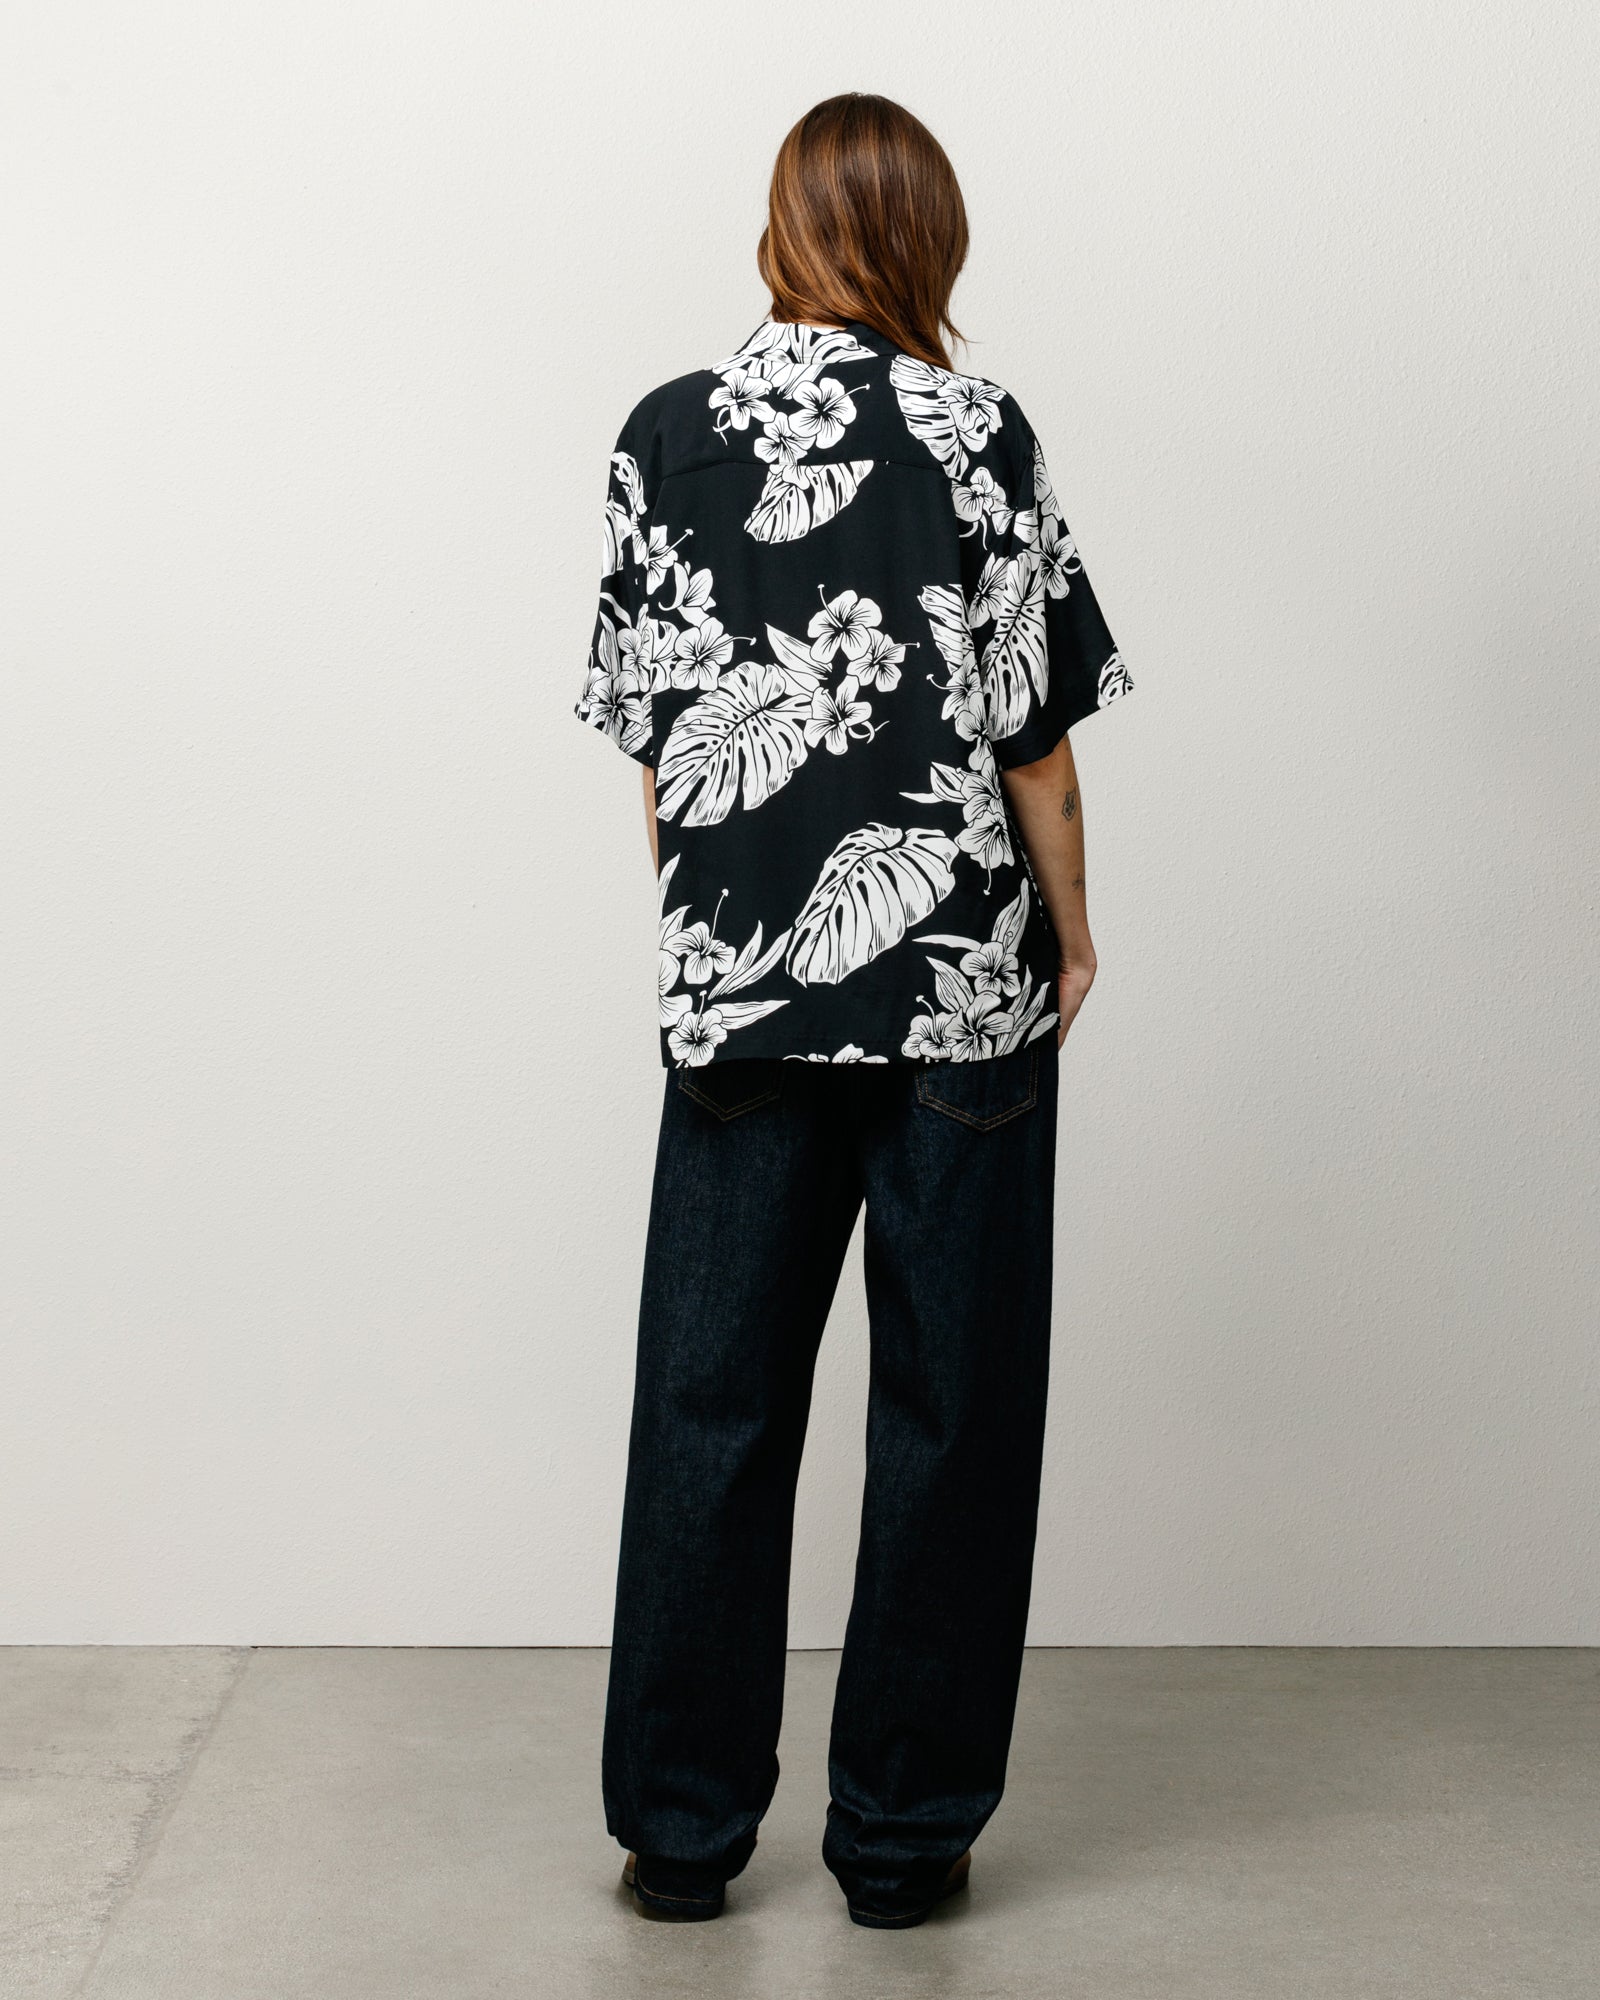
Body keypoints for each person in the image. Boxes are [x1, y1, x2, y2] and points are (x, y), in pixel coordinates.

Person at [575, 91, 1134, 1930]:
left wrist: (718, 936)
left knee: (710, 1405)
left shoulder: (664, 433)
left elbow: (663, 748)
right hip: (958, 988)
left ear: (783, 227)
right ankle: (899, 1846)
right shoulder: (979, 431)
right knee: (952, 1413)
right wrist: (1071, 932)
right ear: (924, 240)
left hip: (742, 992)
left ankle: (679, 1838)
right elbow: (1032, 738)